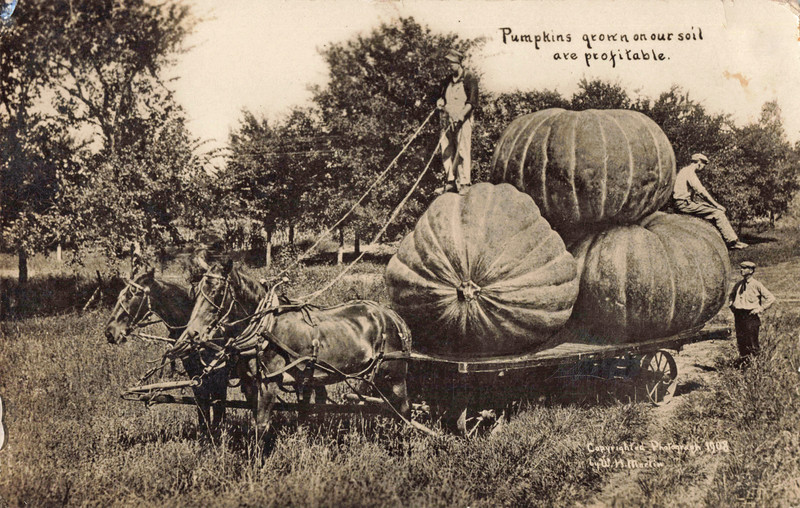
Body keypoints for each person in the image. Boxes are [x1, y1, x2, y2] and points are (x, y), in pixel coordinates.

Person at [673, 153, 748, 250]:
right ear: (699, 163)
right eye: (704, 165)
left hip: (681, 203)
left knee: (709, 208)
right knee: (718, 213)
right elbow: (701, 191)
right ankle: (732, 242)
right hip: (684, 204)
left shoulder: (683, 171)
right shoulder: (690, 173)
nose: (703, 168)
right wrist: (717, 205)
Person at [436, 49, 478, 194]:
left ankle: (465, 183)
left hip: (462, 120)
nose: (449, 66)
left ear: (459, 63)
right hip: (447, 120)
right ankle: (450, 182)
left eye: (452, 63)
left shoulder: (469, 78)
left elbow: (472, 102)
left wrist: (460, 115)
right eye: (448, 63)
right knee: (446, 150)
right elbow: (442, 98)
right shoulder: (447, 80)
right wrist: (440, 102)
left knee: (462, 151)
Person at [728, 261, 775, 365]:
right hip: (739, 316)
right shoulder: (738, 284)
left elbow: (771, 298)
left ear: (751, 270)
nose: (741, 270)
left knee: (752, 342)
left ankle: (755, 366)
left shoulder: (756, 284)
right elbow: (731, 295)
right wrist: (731, 305)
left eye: (744, 268)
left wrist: (760, 309)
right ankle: (743, 365)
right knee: (741, 341)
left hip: (750, 316)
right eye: (741, 268)